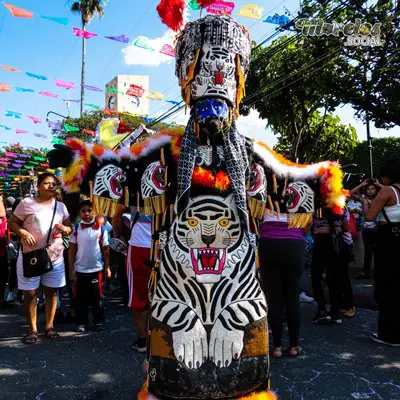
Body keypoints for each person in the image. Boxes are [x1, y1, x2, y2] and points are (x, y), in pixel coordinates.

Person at [48, 12, 346, 399]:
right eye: (204, 76)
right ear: (188, 84)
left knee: (244, 376)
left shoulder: (254, 156)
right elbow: (118, 170)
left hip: (237, 288)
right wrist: (79, 161)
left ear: (237, 87)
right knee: (173, 379)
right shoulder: (164, 152)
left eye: (224, 75)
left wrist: (329, 189)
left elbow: (297, 180)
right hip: (178, 288)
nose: (215, 85)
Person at [8, 173, 72, 343]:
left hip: (55, 256)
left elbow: (69, 226)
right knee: (30, 293)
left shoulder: (60, 206)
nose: (51, 186)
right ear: (38, 186)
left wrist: (65, 229)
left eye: (53, 183)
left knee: (51, 291)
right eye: (46, 183)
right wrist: (22, 232)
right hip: (31, 256)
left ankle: (49, 326)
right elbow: (12, 223)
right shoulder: (26, 203)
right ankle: (32, 329)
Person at [259, 209, 308, 358]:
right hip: (294, 243)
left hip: (269, 243)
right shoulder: (300, 188)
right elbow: (308, 223)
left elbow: (256, 218)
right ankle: (294, 346)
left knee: (274, 298)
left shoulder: (263, 188)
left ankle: (277, 347)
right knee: (292, 298)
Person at [362, 160, 400, 346]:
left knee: (386, 287)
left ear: (388, 176)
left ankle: (389, 334)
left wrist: (364, 202)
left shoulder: (386, 191)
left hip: (388, 241)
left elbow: (370, 216)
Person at [69, 200, 111, 332]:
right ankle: (82, 321)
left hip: (96, 269)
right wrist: (71, 269)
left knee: (96, 296)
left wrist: (108, 267)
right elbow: (71, 251)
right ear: (79, 214)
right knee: (80, 297)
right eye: (83, 211)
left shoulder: (101, 230)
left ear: (94, 212)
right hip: (80, 269)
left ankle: (98, 320)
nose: (86, 214)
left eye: (89, 211)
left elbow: (106, 250)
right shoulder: (75, 230)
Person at [114, 206, 151, 352]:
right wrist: (118, 235)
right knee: (139, 295)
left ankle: (148, 339)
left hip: (153, 245)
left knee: (142, 295)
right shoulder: (133, 187)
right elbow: (119, 210)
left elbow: (119, 211)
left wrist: (118, 234)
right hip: (141, 246)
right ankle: (145, 339)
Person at [311, 206, 353, 324]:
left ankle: (322, 310)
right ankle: (335, 312)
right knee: (334, 278)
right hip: (336, 243)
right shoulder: (339, 205)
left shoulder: (316, 206)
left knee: (316, 278)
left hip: (320, 242)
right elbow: (346, 227)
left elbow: (309, 224)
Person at [351, 179, 379, 279]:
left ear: (376, 190)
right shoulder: (364, 199)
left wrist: (378, 184)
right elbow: (351, 193)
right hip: (366, 230)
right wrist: (361, 184)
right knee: (368, 252)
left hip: (377, 229)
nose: (370, 191)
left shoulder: (380, 199)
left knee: (378, 252)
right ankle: (365, 272)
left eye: (373, 189)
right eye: (368, 189)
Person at [0, 197, 9, 310]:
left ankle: (1, 300)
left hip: (2, 251)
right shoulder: (1, 219)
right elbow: (2, 213)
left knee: (3, 277)